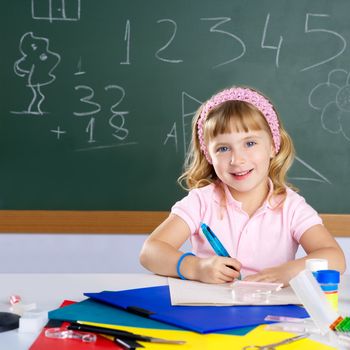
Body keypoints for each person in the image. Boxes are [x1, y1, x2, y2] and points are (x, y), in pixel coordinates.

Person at [140, 86, 346, 286]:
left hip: (272, 316)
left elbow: (335, 258)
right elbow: (151, 252)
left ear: (274, 145)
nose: (237, 159)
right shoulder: (201, 201)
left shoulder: (291, 207)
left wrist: (289, 272)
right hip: (210, 313)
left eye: (249, 143)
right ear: (209, 156)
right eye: (223, 148)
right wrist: (196, 267)